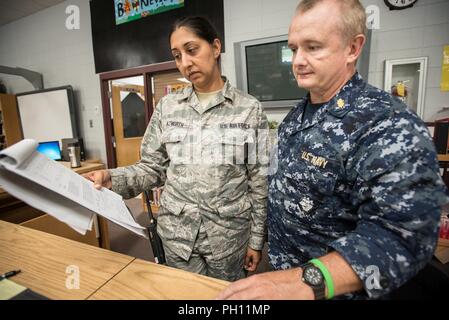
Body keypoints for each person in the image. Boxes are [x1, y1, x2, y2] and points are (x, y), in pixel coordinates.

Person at [217, 0, 449, 299]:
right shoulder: (295, 118)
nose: (298, 60)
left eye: (313, 47)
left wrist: (308, 280)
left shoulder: (386, 123)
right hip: (282, 279)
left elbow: (404, 234)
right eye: (294, 48)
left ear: (353, 48)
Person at [83, 16, 268, 281]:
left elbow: (259, 182)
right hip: (179, 238)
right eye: (177, 56)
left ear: (215, 48)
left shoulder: (250, 109)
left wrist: (257, 240)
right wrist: (112, 178)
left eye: (192, 50)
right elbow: (151, 168)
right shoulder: (168, 107)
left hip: (229, 238)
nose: (185, 63)